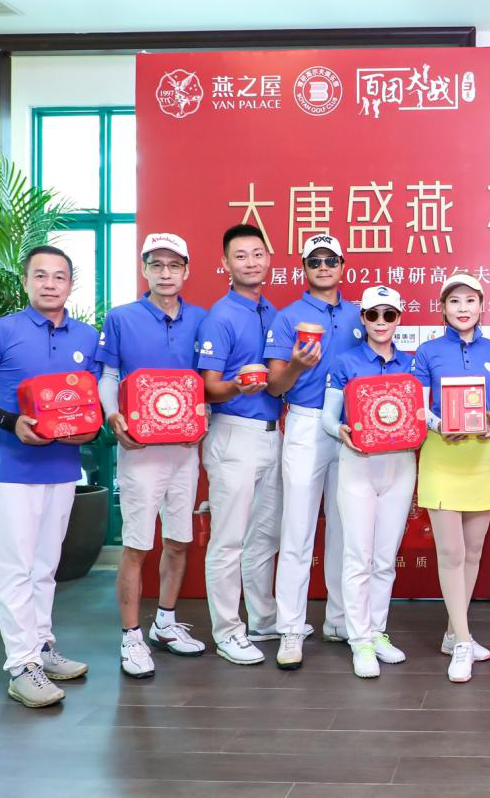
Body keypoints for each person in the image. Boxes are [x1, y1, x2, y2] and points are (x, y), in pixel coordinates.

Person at [0, 244, 100, 707]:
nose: (50, 284)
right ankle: (21, 666)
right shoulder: (0, 331)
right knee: (15, 568)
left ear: (70, 284)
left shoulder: (87, 337)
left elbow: (91, 401)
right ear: (26, 282)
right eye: (40, 275)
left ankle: (41, 646)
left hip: (63, 468)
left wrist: (91, 429)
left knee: (45, 566)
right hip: (12, 471)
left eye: (59, 276)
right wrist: (10, 421)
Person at [97, 233, 208, 679]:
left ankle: (164, 621)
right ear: (144, 269)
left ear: (186, 271)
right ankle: (130, 635)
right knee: (137, 544)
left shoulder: (200, 318)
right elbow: (108, 374)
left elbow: (206, 379)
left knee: (178, 540)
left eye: (174, 265)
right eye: (156, 264)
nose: (165, 273)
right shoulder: (121, 317)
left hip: (184, 448)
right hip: (140, 449)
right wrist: (113, 415)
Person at [264, 233, 364, 669]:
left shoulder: (361, 314)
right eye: (315, 261)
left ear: (343, 265)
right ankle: (291, 627)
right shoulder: (288, 317)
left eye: (330, 260)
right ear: (304, 268)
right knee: (298, 529)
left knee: (347, 527)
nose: (323, 267)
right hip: (306, 422)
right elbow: (274, 386)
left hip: (350, 426)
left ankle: (340, 620)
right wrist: (297, 365)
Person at [411, 272, 490, 682]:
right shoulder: (427, 351)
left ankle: (454, 633)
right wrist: (440, 425)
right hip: (442, 455)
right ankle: (465, 642)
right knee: (451, 552)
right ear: (443, 309)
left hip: (482, 456)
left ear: (482, 306)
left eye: (470, 300)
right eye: (454, 301)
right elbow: (420, 409)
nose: (463, 308)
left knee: (472, 551)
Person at [197, 224, 284, 665]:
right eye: (241, 255)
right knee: (229, 540)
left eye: (257, 254)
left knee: (265, 535)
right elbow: (208, 387)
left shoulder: (273, 311)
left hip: (272, 434)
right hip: (233, 432)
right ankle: (228, 631)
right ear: (226, 264)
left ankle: (263, 620)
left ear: (269, 258)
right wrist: (238, 386)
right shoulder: (221, 315)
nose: (251, 262)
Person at [320, 285, 417, 679]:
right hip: (358, 463)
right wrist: (340, 431)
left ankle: (377, 631)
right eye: (373, 314)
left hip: (400, 465)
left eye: (388, 315)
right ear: (362, 318)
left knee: (384, 557)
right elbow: (329, 417)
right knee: (358, 556)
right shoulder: (345, 362)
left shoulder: (410, 363)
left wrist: (448, 425)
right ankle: (359, 639)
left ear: (398, 319)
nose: (380, 322)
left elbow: (421, 414)